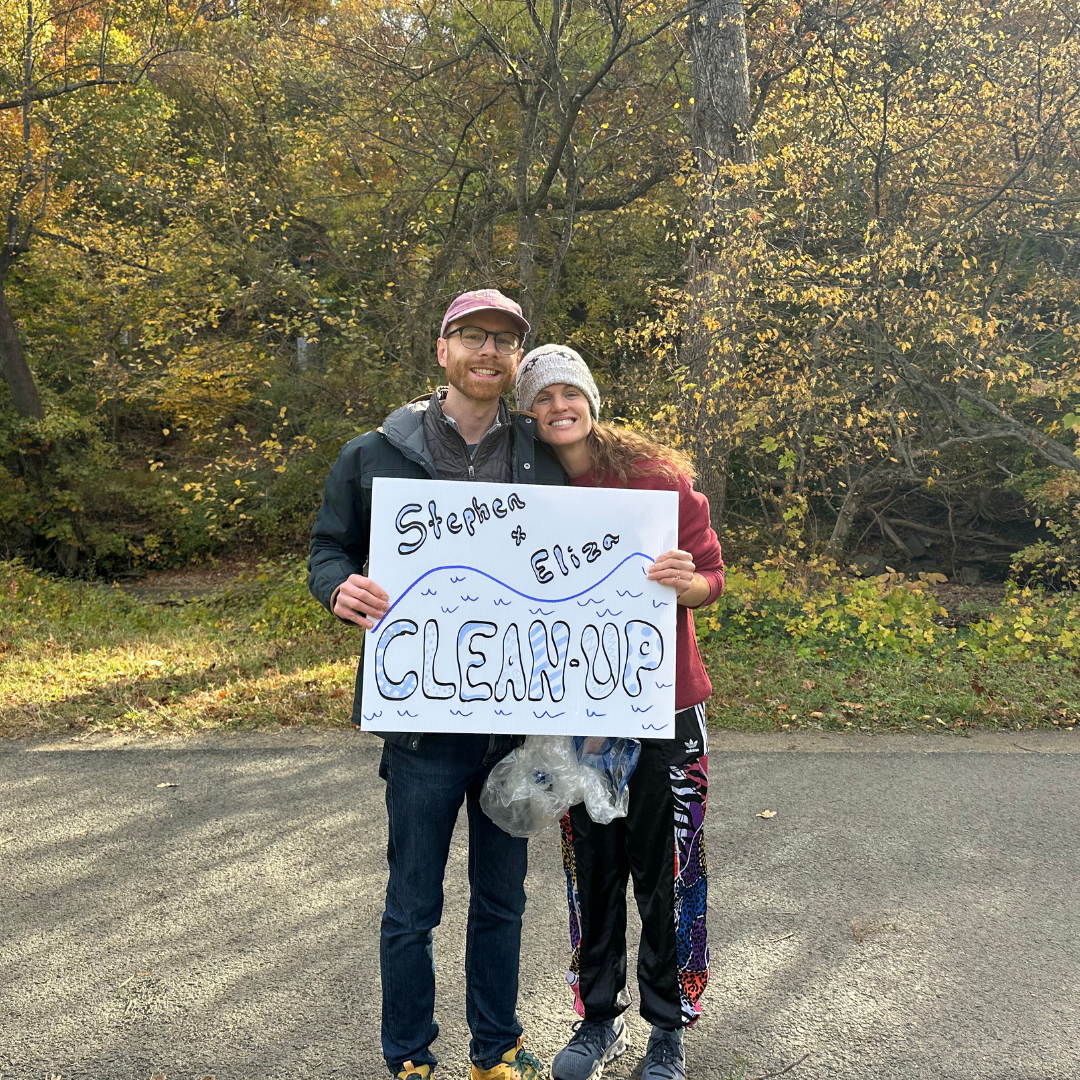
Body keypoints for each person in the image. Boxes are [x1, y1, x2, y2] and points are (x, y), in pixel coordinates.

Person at [308, 290, 566, 1080]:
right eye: (474, 336)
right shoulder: (374, 452)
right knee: (412, 905)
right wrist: (338, 589)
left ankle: (497, 1049)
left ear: (516, 360)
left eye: (505, 341)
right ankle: (410, 1057)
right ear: (442, 348)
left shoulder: (545, 452)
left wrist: (672, 555)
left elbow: (619, 520)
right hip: (420, 727)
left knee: (504, 901)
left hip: (514, 727)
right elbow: (328, 551)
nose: (489, 351)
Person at [513, 344, 725, 1080]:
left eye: (569, 392)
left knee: (668, 868)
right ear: (528, 412)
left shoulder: (656, 479)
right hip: (577, 713)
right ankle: (599, 1020)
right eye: (541, 397)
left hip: (663, 707)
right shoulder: (523, 480)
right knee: (593, 869)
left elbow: (712, 579)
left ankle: (668, 1028)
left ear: (592, 402)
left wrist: (686, 581)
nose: (557, 406)